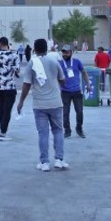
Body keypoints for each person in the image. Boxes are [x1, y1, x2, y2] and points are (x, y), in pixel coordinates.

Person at [16, 38, 67, 171]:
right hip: (55, 102)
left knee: (43, 133)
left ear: (34, 48)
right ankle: (59, 159)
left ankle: (44, 162)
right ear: (47, 48)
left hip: (39, 104)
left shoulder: (32, 63)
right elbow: (62, 80)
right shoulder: (54, 61)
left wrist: (21, 101)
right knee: (58, 130)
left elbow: (27, 84)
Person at [0, 37, 20, 141]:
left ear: (0, 44)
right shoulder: (14, 55)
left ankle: (1, 129)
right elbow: (17, 71)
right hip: (9, 86)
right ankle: (3, 133)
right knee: (7, 110)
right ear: (7, 44)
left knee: (1, 108)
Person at [58, 45, 90, 138]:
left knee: (79, 111)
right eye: (63, 52)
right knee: (65, 112)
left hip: (76, 91)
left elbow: (84, 72)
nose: (64, 54)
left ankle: (79, 129)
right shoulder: (59, 63)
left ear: (71, 52)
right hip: (65, 91)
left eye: (67, 52)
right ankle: (67, 130)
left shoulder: (77, 62)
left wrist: (88, 84)